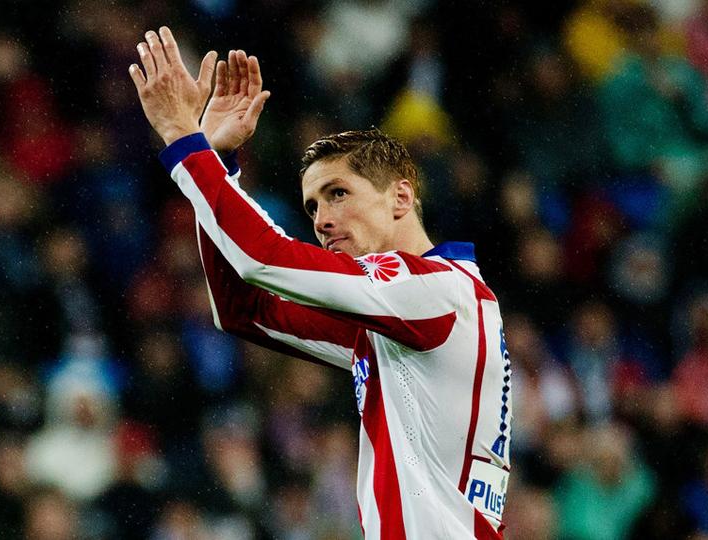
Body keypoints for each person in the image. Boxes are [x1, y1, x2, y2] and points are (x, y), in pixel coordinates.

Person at [128, 27, 511, 539]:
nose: (322, 220)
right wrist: (218, 160)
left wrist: (183, 138)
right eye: (312, 206)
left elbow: (262, 257)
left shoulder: (434, 294)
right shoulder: (399, 322)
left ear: (400, 198)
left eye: (338, 194)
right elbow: (244, 309)